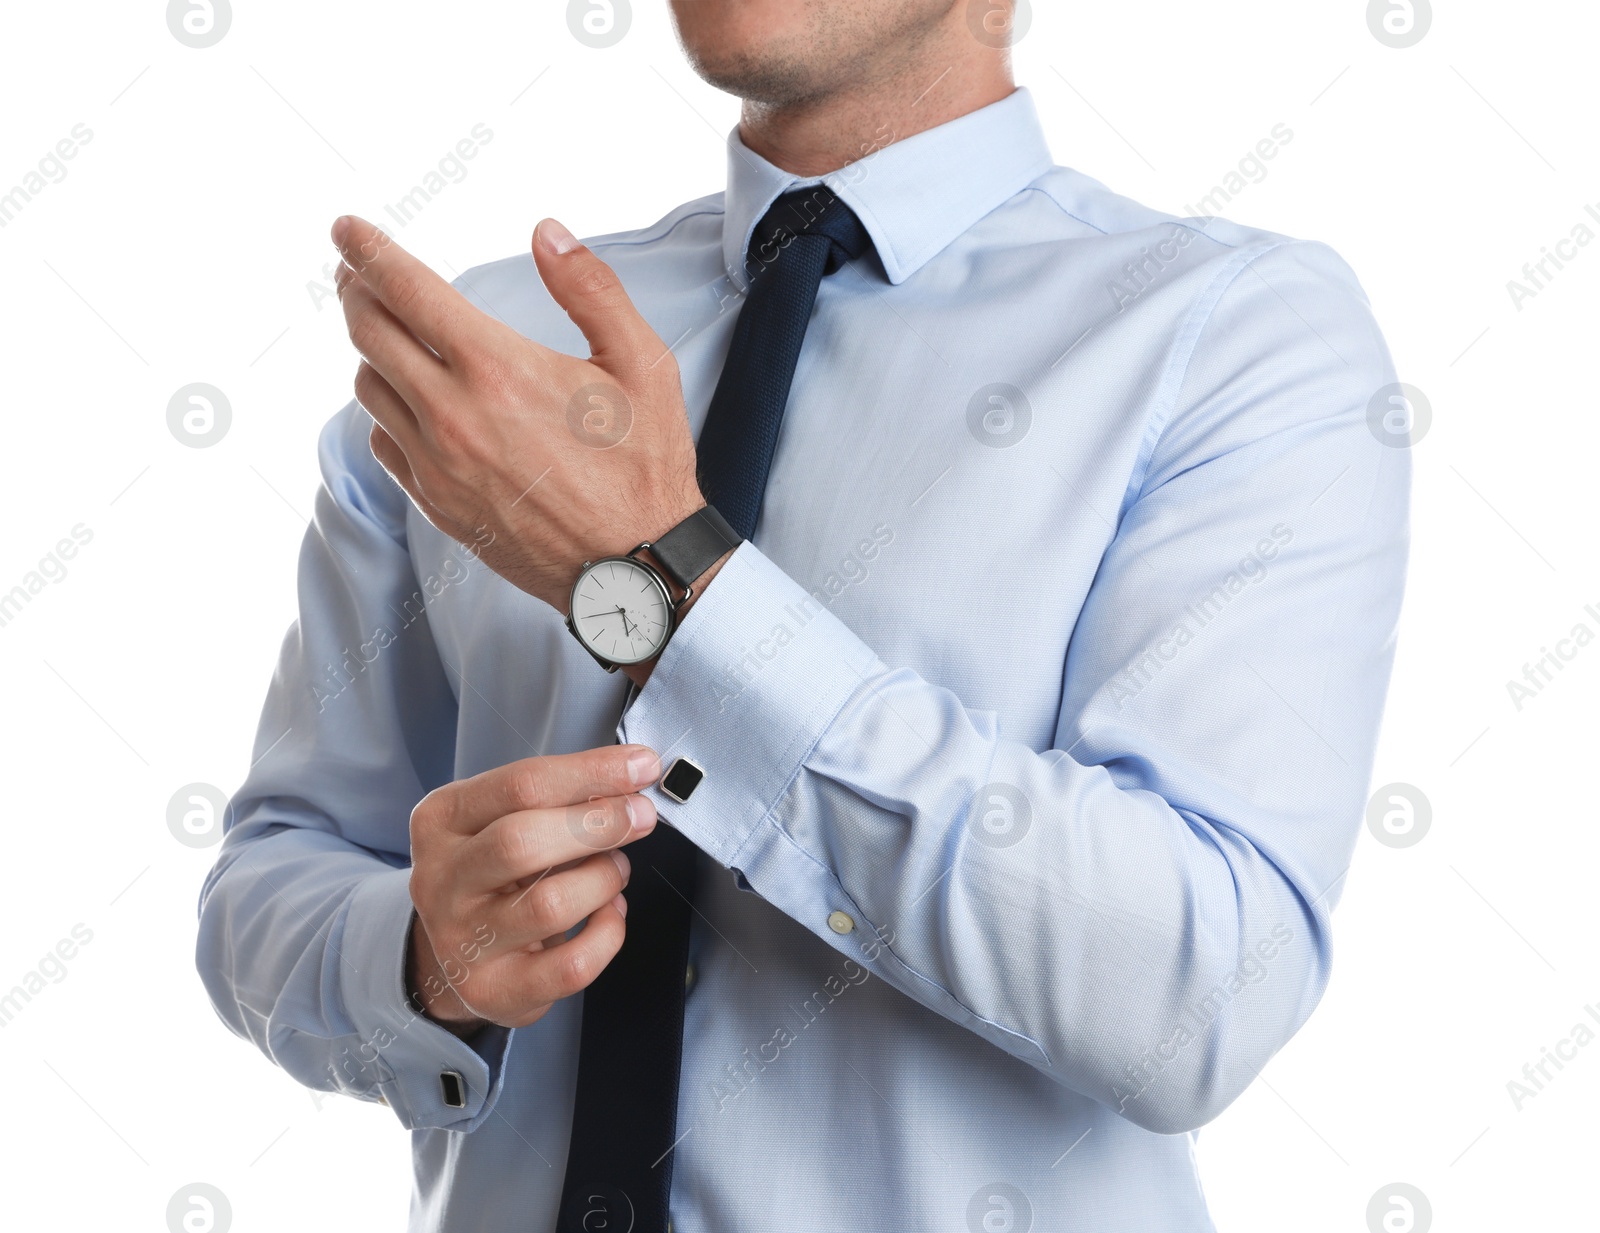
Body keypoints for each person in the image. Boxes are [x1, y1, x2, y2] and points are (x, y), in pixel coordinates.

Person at [196, 2, 1410, 1230]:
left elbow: (1194, 997)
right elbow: (270, 882)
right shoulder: (491, 370)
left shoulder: (1231, 336)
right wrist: (417, 961)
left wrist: (662, 580)